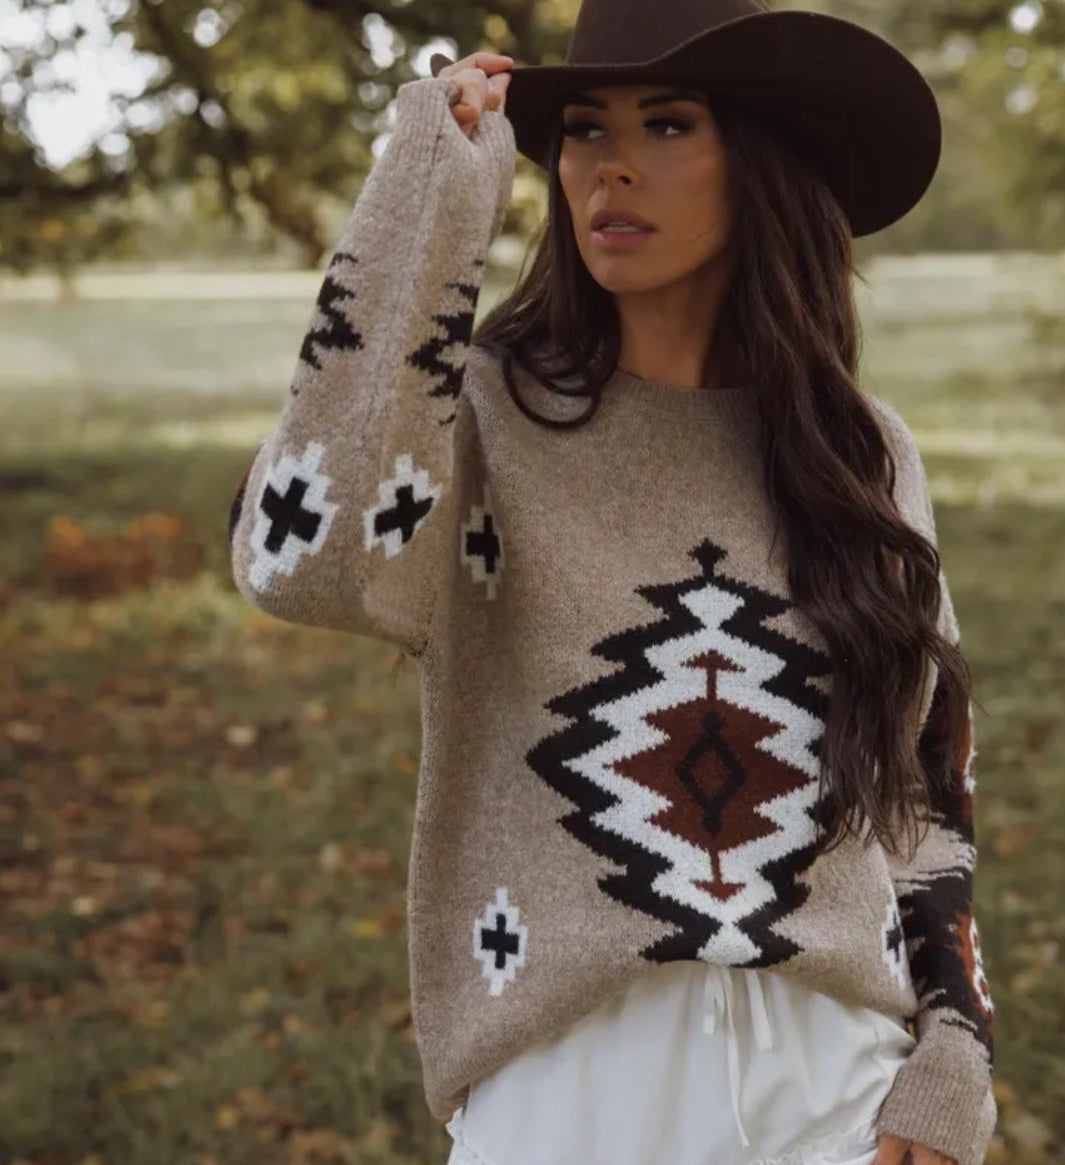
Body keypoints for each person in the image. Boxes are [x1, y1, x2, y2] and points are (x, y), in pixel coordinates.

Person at [227, 3, 997, 1165]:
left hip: (840, 1092)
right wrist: (428, 195)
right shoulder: (476, 423)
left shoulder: (861, 454)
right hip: (568, 1097)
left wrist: (954, 1055)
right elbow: (303, 561)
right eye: (585, 129)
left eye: (668, 124)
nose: (609, 166)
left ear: (762, 163)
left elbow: (925, 786)